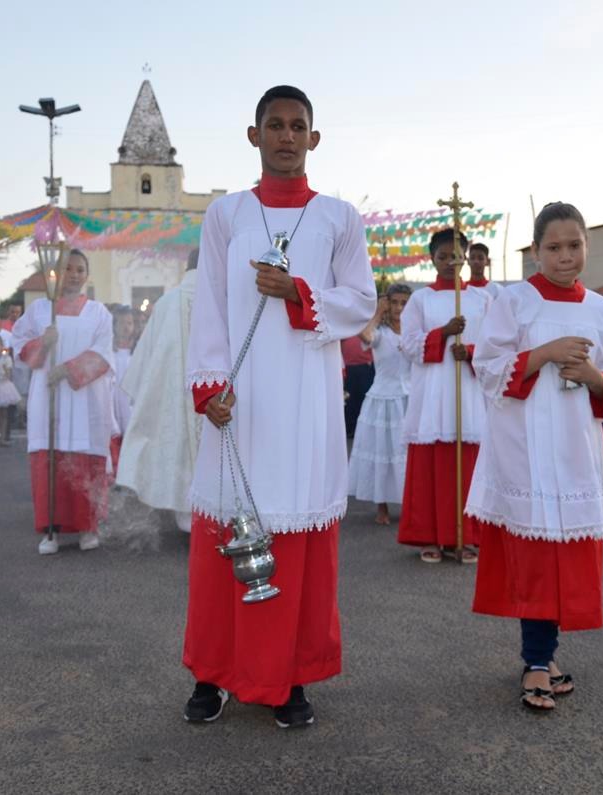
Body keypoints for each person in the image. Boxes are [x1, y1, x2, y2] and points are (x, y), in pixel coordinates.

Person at [181, 85, 376, 728]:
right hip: (238, 400)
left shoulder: (339, 218)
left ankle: (290, 677)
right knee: (225, 536)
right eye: (275, 125)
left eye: (298, 126)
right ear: (254, 135)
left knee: (296, 534)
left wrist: (299, 290)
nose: (286, 136)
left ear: (313, 139)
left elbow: (361, 302)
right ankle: (214, 675)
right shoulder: (227, 215)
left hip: (304, 399)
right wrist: (208, 383)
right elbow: (208, 300)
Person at [465, 201, 603, 711]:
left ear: (587, 245)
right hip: (526, 448)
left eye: (574, 245)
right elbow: (487, 366)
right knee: (537, 556)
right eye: (554, 248)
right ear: (536, 252)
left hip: (575, 446)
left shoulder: (602, 311)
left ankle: (546, 653)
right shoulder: (514, 302)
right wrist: (546, 352)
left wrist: (595, 378)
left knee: (565, 557)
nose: (565, 256)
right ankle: (536, 660)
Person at [398, 228, 492, 563]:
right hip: (433, 395)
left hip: (468, 390)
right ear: (432, 259)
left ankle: (466, 537)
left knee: (468, 467)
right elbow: (408, 344)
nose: (451, 262)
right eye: (443, 257)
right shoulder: (420, 299)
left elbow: (498, 347)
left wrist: (470, 351)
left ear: (466, 257)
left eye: (457, 256)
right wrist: (442, 335)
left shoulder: (483, 300)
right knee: (431, 469)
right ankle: (431, 537)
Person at [13, 248, 116, 553]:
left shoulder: (99, 313)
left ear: (87, 275)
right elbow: (19, 344)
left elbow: (104, 352)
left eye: (80, 269)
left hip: (85, 397)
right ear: (56, 273)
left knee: (84, 457)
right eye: (68, 268)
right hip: (49, 396)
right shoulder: (41, 310)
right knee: (51, 457)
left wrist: (68, 369)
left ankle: (88, 527)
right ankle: (51, 531)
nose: (74, 274)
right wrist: (42, 343)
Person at [116, 247, 201, 532]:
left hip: (172, 395)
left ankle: (185, 516)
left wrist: (146, 394)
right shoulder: (221, 299)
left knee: (176, 449)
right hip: (212, 395)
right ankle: (204, 519)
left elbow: (145, 358)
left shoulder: (166, 302)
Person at [348, 283, 412, 525]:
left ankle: (411, 505)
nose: (398, 308)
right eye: (394, 302)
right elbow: (364, 335)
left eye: (404, 303)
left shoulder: (412, 331)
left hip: (409, 397)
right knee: (382, 452)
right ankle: (382, 507)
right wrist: (377, 312)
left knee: (407, 455)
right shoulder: (380, 332)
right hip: (383, 399)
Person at [108, 307, 136, 471]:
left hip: (130, 403)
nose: (126, 327)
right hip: (113, 402)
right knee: (115, 438)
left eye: (130, 323)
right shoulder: (110, 351)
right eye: (122, 323)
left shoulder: (138, 350)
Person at [341, 334, 374, 439]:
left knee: (364, 399)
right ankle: (350, 428)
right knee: (349, 399)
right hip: (348, 367)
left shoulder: (365, 322)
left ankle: (363, 430)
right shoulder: (344, 326)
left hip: (365, 365)